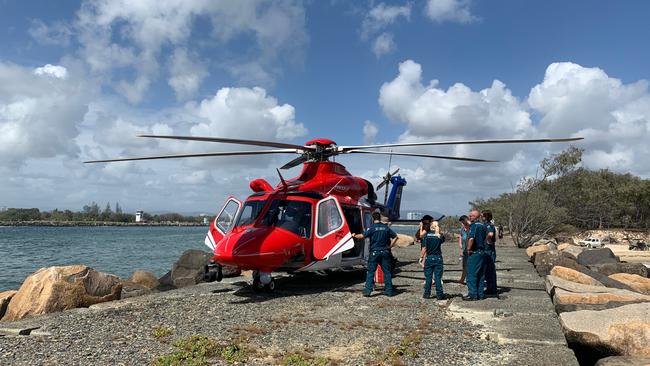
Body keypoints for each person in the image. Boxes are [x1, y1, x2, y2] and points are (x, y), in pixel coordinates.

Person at [353, 210, 398, 297]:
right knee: (387, 272)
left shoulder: (372, 228)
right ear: (380, 218)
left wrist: (354, 235)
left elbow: (362, 236)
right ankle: (389, 291)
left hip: (374, 252)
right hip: (385, 252)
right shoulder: (386, 228)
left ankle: (368, 291)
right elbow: (396, 237)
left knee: (371, 272)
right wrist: (390, 246)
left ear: (373, 218)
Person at [419, 221, 447, 299]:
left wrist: (421, 257)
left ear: (431, 226)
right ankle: (439, 294)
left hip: (429, 257)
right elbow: (442, 239)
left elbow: (424, 248)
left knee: (428, 277)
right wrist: (438, 231)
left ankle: (427, 294)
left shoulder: (426, 236)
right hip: (438, 257)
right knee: (438, 277)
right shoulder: (439, 236)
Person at [464, 209, 487, 301]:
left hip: (475, 252)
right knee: (480, 275)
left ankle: (472, 294)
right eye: (469, 216)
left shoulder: (474, 226)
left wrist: (468, 249)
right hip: (482, 252)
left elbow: (471, 238)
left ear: (476, 217)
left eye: (471, 216)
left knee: (471, 274)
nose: (469, 217)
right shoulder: (483, 226)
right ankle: (480, 294)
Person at [482, 210, 498, 296]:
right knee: (487, 271)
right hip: (486, 250)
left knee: (490, 270)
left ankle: (492, 288)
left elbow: (491, 234)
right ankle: (490, 287)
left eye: (482, 216)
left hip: (489, 251)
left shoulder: (489, 225)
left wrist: (487, 239)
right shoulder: (484, 225)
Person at [458, 215, 471, 285]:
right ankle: (462, 279)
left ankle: (469, 279)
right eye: (462, 223)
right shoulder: (462, 229)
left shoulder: (471, 227)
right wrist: (460, 245)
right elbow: (460, 236)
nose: (462, 224)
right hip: (464, 249)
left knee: (470, 265)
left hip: (470, 250)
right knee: (464, 265)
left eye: (464, 222)